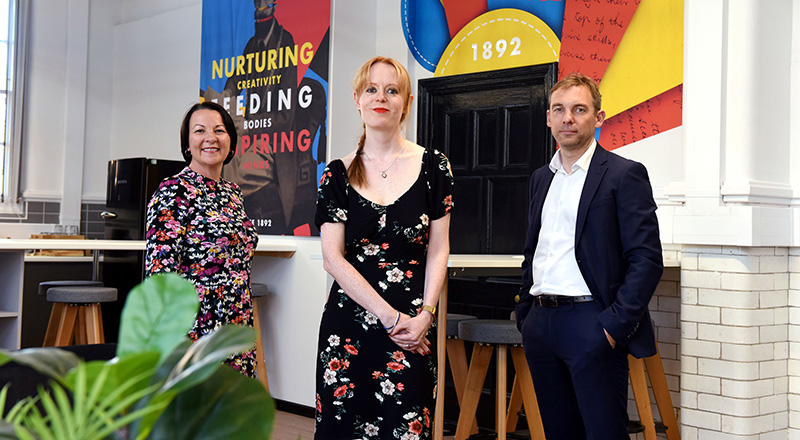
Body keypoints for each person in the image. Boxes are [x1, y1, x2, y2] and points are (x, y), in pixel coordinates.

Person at [515, 73, 663, 439]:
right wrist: (525, 315)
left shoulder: (624, 175)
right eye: (559, 110)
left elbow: (646, 258)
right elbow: (535, 249)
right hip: (541, 324)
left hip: (591, 323)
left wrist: (613, 327)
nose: (568, 118)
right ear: (548, 118)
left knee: (604, 432)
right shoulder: (540, 178)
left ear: (598, 118)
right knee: (559, 432)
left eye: (579, 109)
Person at [313, 56, 453, 439]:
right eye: (372, 89)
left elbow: (439, 248)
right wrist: (389, 317)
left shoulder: (434, 166)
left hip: (413, 328)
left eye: (392, 90)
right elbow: (332, 258)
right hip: (351, 328)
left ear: (406, 102)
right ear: (357, 99)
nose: (381, 97)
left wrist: (425, 314)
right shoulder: (336, 173)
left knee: (407, 427)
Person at [144, 101, 260, 377]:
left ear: (230, 142)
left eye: (219, 130)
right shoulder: (173, 191)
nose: (211, 138)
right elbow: (159, 272)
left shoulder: (232, 192)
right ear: (187, 144)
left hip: (237, 317)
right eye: (200, 131)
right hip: (195, 323)